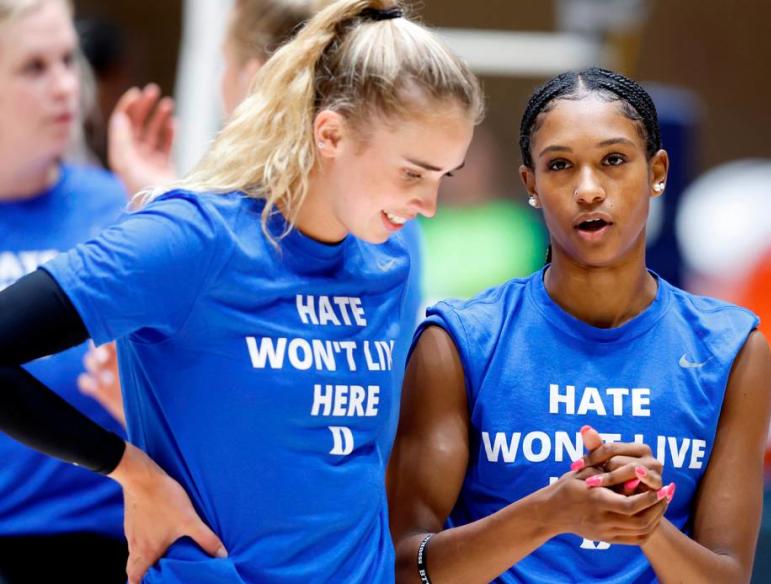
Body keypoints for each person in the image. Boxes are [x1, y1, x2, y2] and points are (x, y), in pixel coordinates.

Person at [0, 1, 483, 582]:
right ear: (330, 133)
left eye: (441, 177)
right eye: (412, 173)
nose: (428, 204)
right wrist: (131, 470)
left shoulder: (387, 256)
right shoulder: (192, 238)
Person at [388, 68, 771, 583]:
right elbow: (404, 569)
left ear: (658, 171)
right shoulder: (458, 343)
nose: (588, 189)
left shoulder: (732, 351)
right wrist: (551, 512)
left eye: (613, 160)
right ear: (531, 183)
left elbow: (729, 578)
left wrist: (640, 520)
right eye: (561, 166)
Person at [80, 0, 426, 452]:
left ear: (259, 78)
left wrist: (162, 207)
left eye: (225, 64)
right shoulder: (390, 215)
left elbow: (276, 427)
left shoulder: (267, 225)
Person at [0, 0, 128, 581]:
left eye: (67, 60)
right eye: (34, 68)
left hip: (109, 543)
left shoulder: (120, 206)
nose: (67, 86)